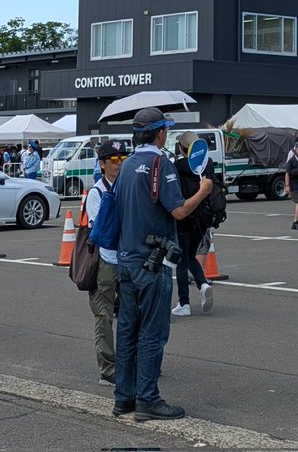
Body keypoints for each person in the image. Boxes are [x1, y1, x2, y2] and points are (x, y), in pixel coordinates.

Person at [112, 107, 212, 421]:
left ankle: (123, 398)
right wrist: (203, 190)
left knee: (127, 331)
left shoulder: (127, 165)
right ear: (159, 132)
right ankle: (148, 400)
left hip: (126, 259)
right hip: (152, 261)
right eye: (165, 129)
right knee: (153, 333)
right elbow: (179, 211)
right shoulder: (160, 162)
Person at [86, 140, 126, 385]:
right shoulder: (97, 192)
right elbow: (100, 230)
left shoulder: (128, 187)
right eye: (114, 159)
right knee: (104, 315)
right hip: (106, 261)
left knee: (131, 313)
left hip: (128, 260)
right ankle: (108, 369)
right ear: (102, 164)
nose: (119, 163)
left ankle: (130, 361)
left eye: (122, 158)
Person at [172, 141, 213, 317]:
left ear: (181, 149)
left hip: (184, 216)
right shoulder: (207, 165)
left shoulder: (177, 166)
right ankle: (203, 284)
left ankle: (184, 302)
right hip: (202, 218)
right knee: (190, 256)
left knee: (181, 260)